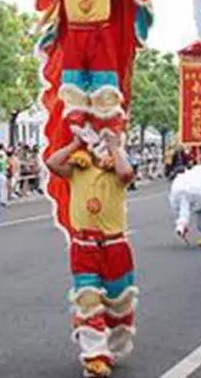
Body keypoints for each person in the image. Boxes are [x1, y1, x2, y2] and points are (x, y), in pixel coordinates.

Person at [46, 132, 137, 378]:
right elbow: (52, 163)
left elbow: (127, 174)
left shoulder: (117, 172)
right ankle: (95, 356)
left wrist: (114, 146)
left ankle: (114, 348)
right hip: (83, 246)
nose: (99, 148)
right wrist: (75, 143)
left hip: (115, 246)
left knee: (119, 303)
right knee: (87, 301)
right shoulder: (77, 170)